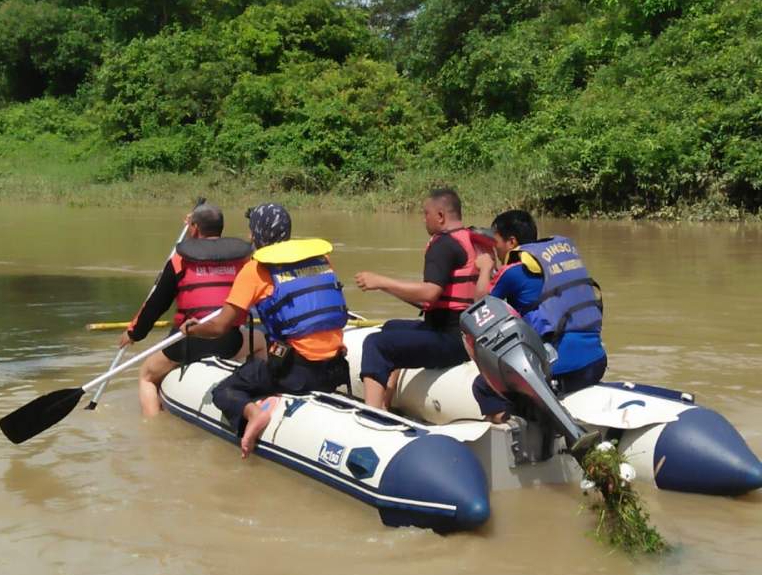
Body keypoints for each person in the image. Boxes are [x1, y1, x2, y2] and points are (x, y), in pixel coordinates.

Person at [183, 203, 350, 458]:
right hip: (335, 367)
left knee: (225, 391)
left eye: (251, 230)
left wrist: (193, 329)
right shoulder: (322, 261)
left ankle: (254, 414)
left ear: (258, 233)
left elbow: (220, 326)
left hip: (297, 373)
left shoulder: (256, 270)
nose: (249, 236)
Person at [355, 187, 491, 409]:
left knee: (375, 344)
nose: (423, 219)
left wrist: (381, 281)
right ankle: (386, 402)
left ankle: (371, 413)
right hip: (467, 335)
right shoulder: (472, 240)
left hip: (451, 340)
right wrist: (385, 288)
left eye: (426, 213)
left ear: (440, 216)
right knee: (391, 327)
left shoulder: (443, 245)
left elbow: (430, 293)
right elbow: (435, 301)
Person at [470, 209, 607, 421]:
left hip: (562, 369)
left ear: (512, 242)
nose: (494, 249)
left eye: (496, 242)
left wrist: (486, 268)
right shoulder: (559, 264)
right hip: (597, 363)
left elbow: (480, 308)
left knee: (482, 386)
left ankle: (514, 429)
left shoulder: (513, 272)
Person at [119, 203, 253, 418]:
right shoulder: (243, 260)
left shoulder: (179, 261)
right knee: (261, 342)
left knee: (146, 375)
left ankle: (153, 427)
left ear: (195, 228)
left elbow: (156, 305)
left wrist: (134, 333)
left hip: (188, 341)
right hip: (229, 340)